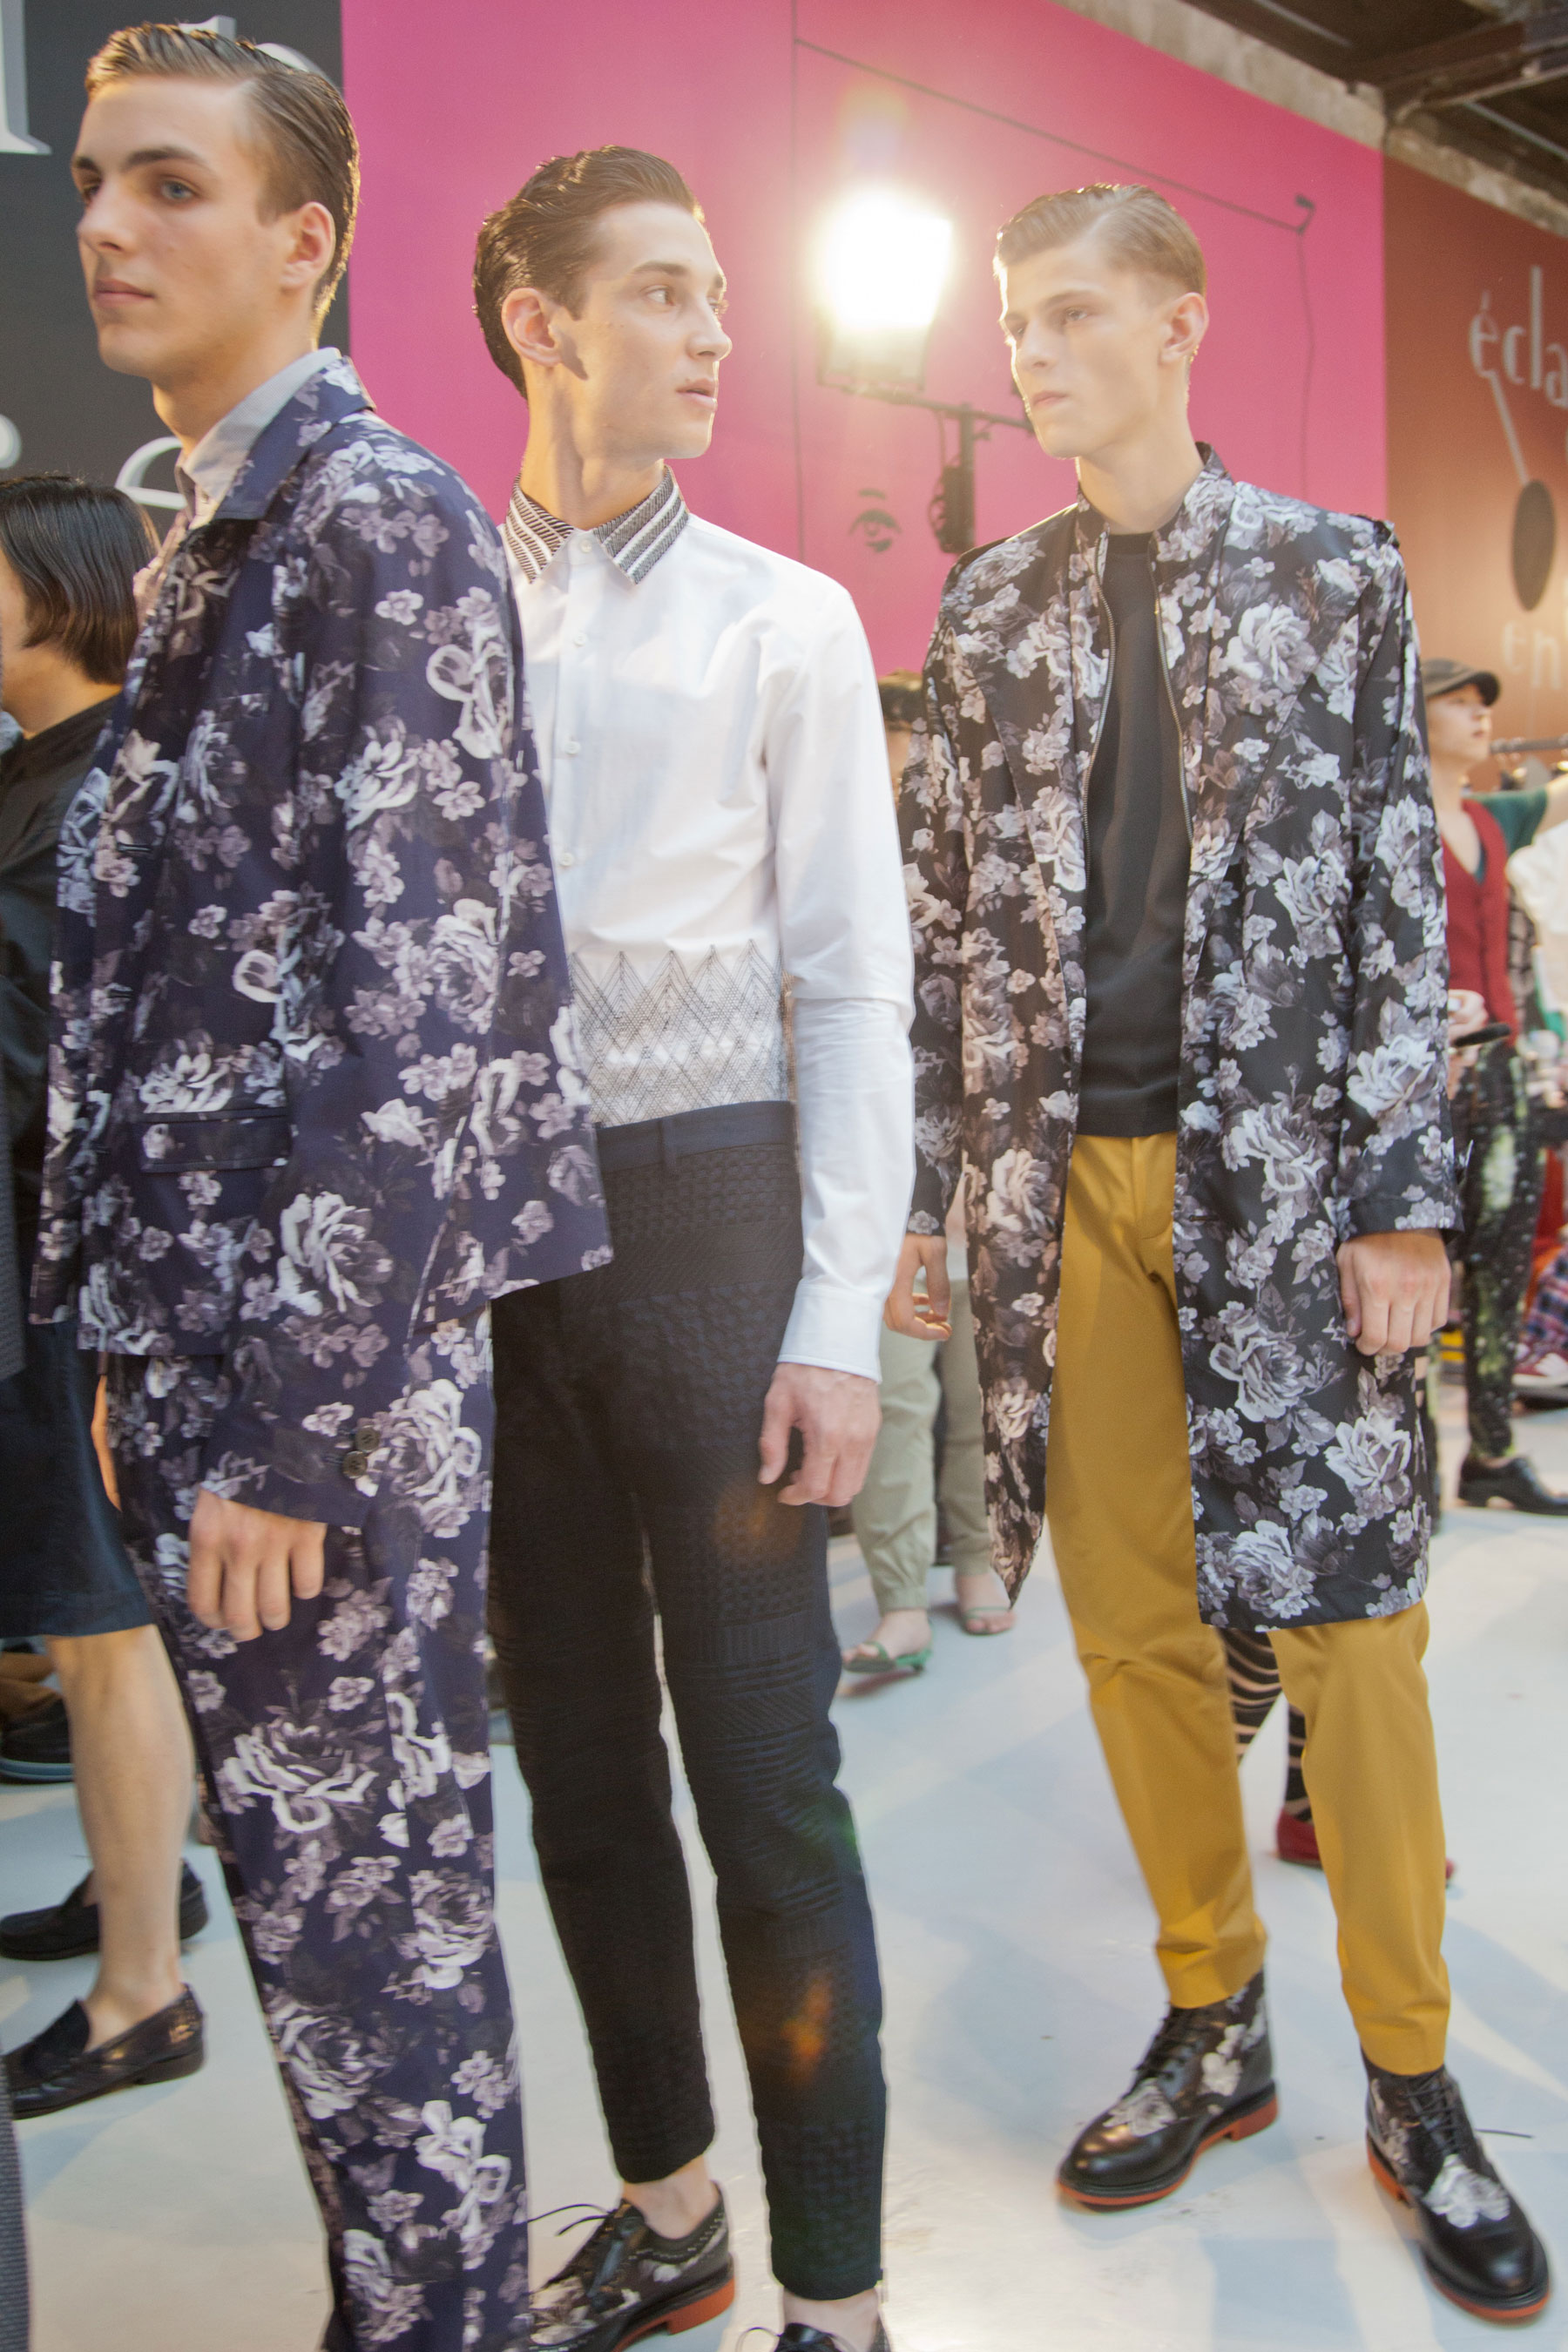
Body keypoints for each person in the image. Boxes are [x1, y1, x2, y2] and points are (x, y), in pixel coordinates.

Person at [890, 179, 1550, 2324]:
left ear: (1180, 325)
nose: (1034, 349)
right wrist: (929, 1192)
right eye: (1017, 316)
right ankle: (1215, 2014)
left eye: (1075, 311)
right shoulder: (991, 606)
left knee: (1355, 1623)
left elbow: (1386, 901)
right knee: (1132, 1625)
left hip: (1288, 1184)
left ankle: (1415, 2075)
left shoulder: (1333, 570)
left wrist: (1401, 1195)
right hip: (1062, 1182)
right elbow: (949, 924)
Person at [28, 28, 607, 2351]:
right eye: (95, 177)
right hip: (206, 1356)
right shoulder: (214, 525)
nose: (106, 223)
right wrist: (120, 1338)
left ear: (307, 239)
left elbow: (415, 1011)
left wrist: (287, 1425)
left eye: (172, 184)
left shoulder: (378, 518)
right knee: (315, 1924)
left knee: (381, 1940)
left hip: (312, 1394)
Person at [474, 148, 912, 2352]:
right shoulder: (437, 611)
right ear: (540, 323)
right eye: (662, 289)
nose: (716, 329)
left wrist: (838, 1315)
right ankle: (670, 2207)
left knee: (766, 1784)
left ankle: (837, 2298)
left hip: (715, 1229)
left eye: (720, 288)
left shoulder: (782, 613)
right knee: (573, 1766)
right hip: (496, 1260)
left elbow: (852, 982)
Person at [0, 473, 213, 2111]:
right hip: (48, 1255)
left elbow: (50, 1048)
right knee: (93, 1619)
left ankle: (142, 1992)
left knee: (99, 1622)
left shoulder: (99, 788)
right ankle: (137, 1884)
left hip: (64, 1268)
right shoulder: (46, 772)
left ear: (57, 593)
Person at [843, 673, 1011, 1676]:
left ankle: (981, 1560)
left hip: (976, 1173)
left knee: (983, 1389)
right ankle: (901, 1594)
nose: (904, 760)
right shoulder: (835, 860)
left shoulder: (976, 859)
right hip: (875, 1179)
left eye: (916, 740)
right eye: (890, 737)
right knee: (900, 1390)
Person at [1423, 661, 1568, 1511]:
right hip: (1422, 1072)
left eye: (1485, 706)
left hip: (1503, 1067)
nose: (1479, 718)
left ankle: (1493, 1453)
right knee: (1423, 1260)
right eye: (1460, 704)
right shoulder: (1391, 814)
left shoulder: (1496, 815)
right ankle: (1414, 1461)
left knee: (1503, 1259)